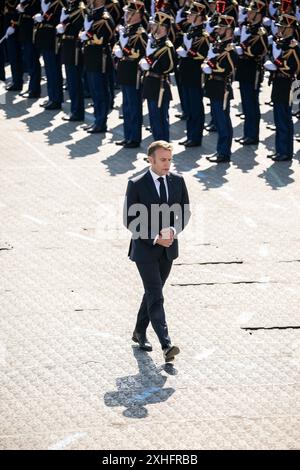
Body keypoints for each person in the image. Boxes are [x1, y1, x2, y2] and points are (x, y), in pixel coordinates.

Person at [123, 140, 191, 362]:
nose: (167, 164)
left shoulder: (178, 181)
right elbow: (129, 219)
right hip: (145, 250)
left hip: (168, 249)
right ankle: (166, 344)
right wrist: (154, 237)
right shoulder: (136, 183)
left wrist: (172, 230)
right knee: (156, 294)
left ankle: (139, 331)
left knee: (153, 293)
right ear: (150, 159)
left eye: (170, 159)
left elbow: (185, 213)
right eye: (163, 160)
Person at [264, 12, 300, 161]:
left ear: (289, 29)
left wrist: (277, 66)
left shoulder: (293, 46)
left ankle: (285, 152)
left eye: (282, 27)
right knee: (278, 118)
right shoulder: (281, 42)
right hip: (278, 84)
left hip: (286, 85)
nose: (279, 29)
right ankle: (280, 149)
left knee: (284, 118)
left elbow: (295, 67)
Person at [202, 13, 238, 163]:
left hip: (221, 87)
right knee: (218, 119)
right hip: (214, 86)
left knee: (223, 121)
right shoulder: (219, 45)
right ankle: (220, 150)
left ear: (229, 30)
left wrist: (211, 65)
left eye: (221, 28)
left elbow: (227, 69)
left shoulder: (229, 49)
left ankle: (224, 153)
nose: (218, 30)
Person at [113, 0, 147, 148]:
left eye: (129, 13)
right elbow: (118, 44)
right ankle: (127, 135)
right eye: (126, 12)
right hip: (124, 70)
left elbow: (141, 53)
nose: (126, 15)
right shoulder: (127, 30)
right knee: (126, 106)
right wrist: (117, 50)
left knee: (133, 106)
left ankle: (134, 138)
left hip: (133, 72)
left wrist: (124, 51)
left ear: (137, 15)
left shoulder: (140, 33)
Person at [139, 10, 175, 142]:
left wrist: (151, 63)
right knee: (153, 119)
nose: (152, 27)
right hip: (150, 83)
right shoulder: (154, 42)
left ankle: (163, 150)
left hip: (160, 85)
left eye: (155, 25)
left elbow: (170, 67)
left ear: (162, 27)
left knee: (160, 119)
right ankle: (156, 149)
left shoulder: (167, 46)